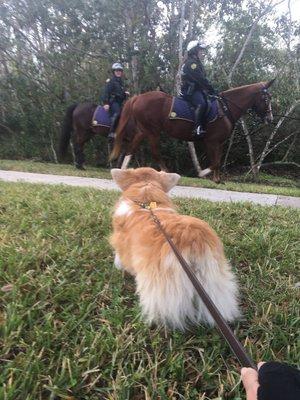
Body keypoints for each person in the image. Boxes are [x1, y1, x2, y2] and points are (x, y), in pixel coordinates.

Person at [180, 40, 217, 137]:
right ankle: (197, 128)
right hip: (191, 91)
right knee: (201, 104)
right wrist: (212, 89)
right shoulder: (192, 64)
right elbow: (201, 79)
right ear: (194, 51)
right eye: (201, 50)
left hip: (198, 90)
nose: (203, 53)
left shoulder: (197, 63)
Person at [102, 62, 129, 140]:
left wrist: (125, 94)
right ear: (114, 72)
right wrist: (106, 103)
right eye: (117, 70)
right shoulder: (111, 81)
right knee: (117, 113)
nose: (118, 72)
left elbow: (120, 94)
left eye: (120, 70)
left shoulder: (121, 82)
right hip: (113, 102)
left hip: (120, 102)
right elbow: (106, 92)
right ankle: (112, 133)